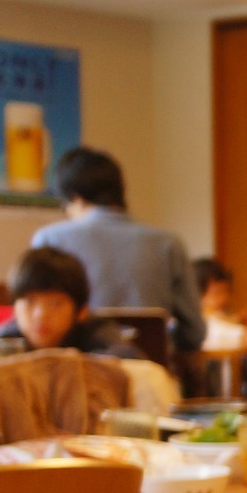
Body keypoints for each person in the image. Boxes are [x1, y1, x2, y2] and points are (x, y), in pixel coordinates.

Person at [32, 147, 203, 352]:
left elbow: (37, 325)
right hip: (151, 375)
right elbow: (194, 333)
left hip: (75, 374)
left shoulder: (50, 239)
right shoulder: (169, 244)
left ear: (75, 197)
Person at [0, 247, 142, 361]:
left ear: (82, 311)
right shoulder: (5, 342)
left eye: (56, 304)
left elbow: (128, 357)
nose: (41, 314)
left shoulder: (95, 332)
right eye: (29, 301)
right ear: (14, 307)